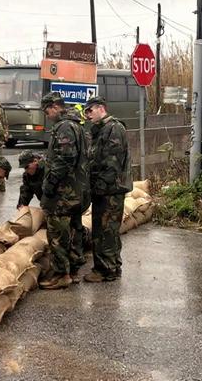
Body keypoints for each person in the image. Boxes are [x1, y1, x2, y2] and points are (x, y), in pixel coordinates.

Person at [38, 92, 89, 290]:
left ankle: (61, 274)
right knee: (74, 228)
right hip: (77, 190)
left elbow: (64, 159)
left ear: (54, 107)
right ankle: (73, 269)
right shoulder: (77, 125)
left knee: (58, 232)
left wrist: (49, 184)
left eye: (46, 111)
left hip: (64, 192)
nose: (47, 115)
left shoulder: (64, 127)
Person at [83, 96, 132, 282]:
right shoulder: (100, 130)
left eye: (90, 110)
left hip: (110, 190)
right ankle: (109, 266)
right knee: (104, 230)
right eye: (85, 111)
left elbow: (112, 163)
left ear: (101, 108)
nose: (87, 115)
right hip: (103, 189)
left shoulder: (114, 128)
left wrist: (99, 187)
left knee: (107, 231)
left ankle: (107, 270)